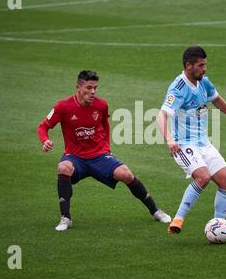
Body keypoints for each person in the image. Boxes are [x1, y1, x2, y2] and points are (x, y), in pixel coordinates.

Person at [37, 70, 171, 231]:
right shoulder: (63, 107)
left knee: (126, 174)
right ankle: (66, 218)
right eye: (88, 88)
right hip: (75, 157)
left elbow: (105, 127)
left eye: (95, 88)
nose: (93, 92)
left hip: (99, 156)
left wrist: (107, 149)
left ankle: (155, 210)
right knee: (63, 167)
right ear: (78, 87)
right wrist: (45, 140)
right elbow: (43, 127)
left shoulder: (101, 105)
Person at [156, 45, 226, 240]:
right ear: (188, 65)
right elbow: (160, 115)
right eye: (200, 65)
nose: (204, 69)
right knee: (203, 177)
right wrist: (169, 140)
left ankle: (220, 227)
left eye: (205, 65)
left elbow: (216, 99)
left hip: (203, 143)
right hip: (183, 145)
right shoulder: (178, 88)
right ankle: (178, 219)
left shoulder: (203, 82)